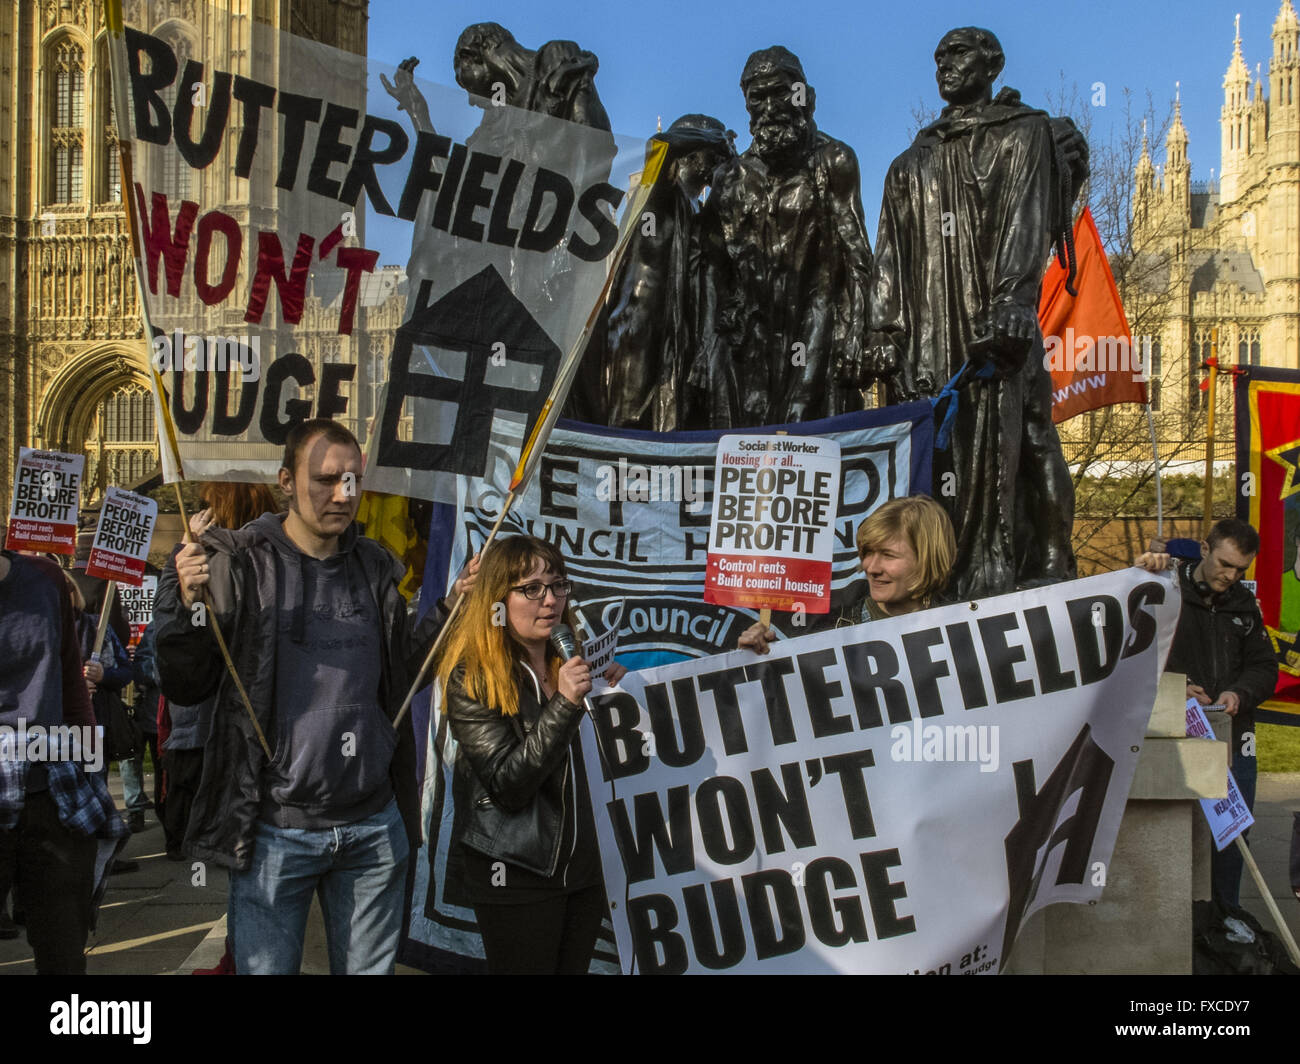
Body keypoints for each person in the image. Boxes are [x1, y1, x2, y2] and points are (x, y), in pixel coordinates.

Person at [153, 419, 472, 975]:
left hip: (372, 830)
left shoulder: (375, 565)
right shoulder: (239, 561)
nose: (343, 495)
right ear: (285, 481)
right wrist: (185, 604)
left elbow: (400, 680)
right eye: (326, 480)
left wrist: (453, 610)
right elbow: (187, 682)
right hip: (277, 830)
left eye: (353, 480)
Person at [868, 27, 1081, 599]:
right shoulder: (909, 163)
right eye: (938, 57)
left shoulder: (1024, 133)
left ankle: (1037, 562)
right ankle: (940, 570)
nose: (945, 65)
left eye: (958, 54)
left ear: (993, 63)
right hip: (932, 334)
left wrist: (1013, 299)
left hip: (999, 326)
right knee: (937, 455)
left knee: (1027, 439)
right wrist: (883, 330)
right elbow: (888, 255)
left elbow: (1028, 217)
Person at [436, 535, 623, 974]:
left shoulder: (574, 665)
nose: (550, 600)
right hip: (515, 872)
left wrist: (617, 696)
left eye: (558, 585)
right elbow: (508, 784)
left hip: (582, 873)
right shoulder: (472, 678)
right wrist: (564, 705)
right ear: (498, 597)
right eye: (531, 588)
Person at [695, 46, 873, 426]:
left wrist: (858, 333)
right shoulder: (730, 178)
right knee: (751, 439)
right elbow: (711, 266)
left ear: (803, 96)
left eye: (780, 93)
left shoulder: (834, 161)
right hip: (751, 340)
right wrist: (709, 343)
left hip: (814, 326)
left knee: (802, 430)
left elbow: (858, 257)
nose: (770, 107)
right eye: (757, 98)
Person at [0, 545, 125, 973]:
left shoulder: (44, 580)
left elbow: (70, 685)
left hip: (53, 793)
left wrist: (90, 770)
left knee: (63, 952)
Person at [1163, 518, 1277, 912]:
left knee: (1233, 835)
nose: (1230, 576)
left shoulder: (1243, 605)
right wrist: (1176, 687)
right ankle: (1182, 919)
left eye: (1240, 570)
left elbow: (1265, 667)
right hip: (1173, 736)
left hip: (1233, 737)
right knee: (1175, 833)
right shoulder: (1165, 592)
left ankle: (1226, 915)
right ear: (1204, 549)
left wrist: (1239, 693)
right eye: (1225, 564)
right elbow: (1133, 657)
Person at [740, 495, 956, 654]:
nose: (871, 568)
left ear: (928, 559)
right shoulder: (826, 631)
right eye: (868, 552)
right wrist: (752, 662)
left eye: (889, 555)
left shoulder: (963, 633)